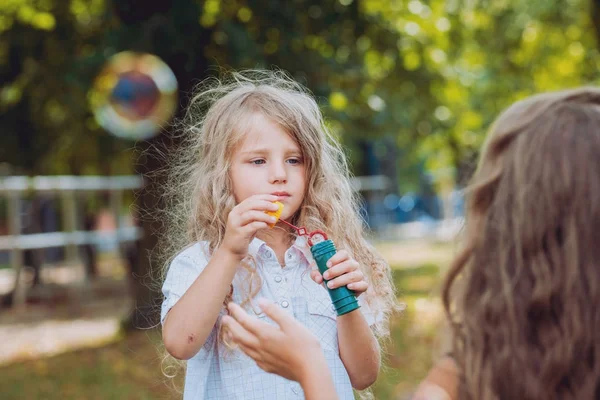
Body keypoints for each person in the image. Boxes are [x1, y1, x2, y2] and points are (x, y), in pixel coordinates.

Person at [224, 87, 600, 400]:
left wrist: (309, 366)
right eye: (258, 161)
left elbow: (364, 373)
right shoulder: (466, 367)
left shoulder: (474, 367)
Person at [159, 69, 397, 399]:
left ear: (312, 168)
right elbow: (179, 343)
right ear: (222, 175)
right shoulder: (201, 260)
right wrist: (229, 252)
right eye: (258, 161)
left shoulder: (331, 258)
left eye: (294, 160)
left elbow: (363, 375)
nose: (279, 175)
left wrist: (347, 304)